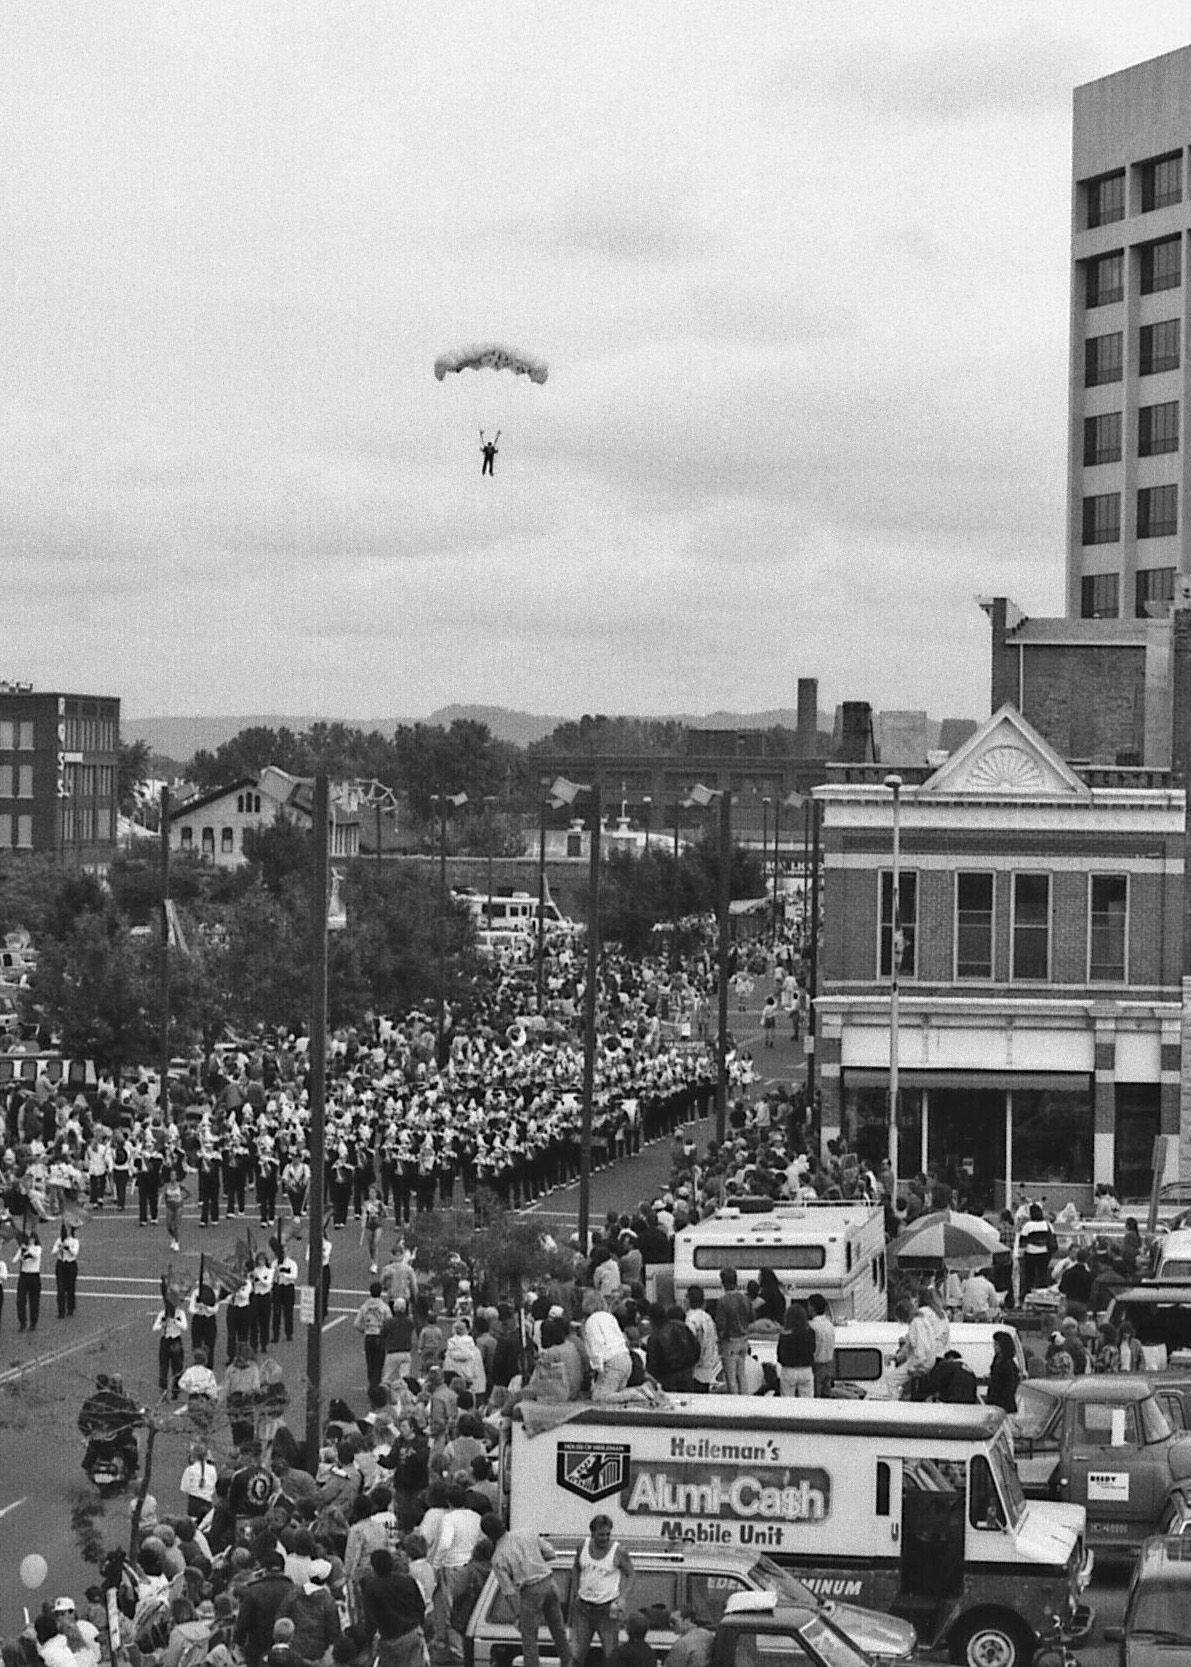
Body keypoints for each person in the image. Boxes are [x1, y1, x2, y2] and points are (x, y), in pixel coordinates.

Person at [482, 1514, 572, 1667]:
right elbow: (550, 1553)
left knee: (529, 1639)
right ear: (502, 1524)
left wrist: (518, 1615)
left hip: (530, 1590)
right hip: (549, 1583)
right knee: (559, 1632)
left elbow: (509, 1591)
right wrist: (536, 1563)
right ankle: (569, 1663)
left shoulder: (498, 1557)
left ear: (488, 1535)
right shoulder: (527, 1533)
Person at [569, 1514, 634, 1667]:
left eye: (608, 1534)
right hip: (583, 1608)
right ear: (592, 1533)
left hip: (606, 1609)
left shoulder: (619, 1551)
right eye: (601, 1534)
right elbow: (576, 1568)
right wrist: (575, 1591)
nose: (605, 1538)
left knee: (611, 1655)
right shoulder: (582, 1547)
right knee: (576, 1654)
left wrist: (623, 1597)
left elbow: (631, 1574)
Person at [359, 1547, 426, 1667]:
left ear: (374, 1567)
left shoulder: (372, 1588)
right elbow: (420, 1606)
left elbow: (370, 1620)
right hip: (413, 1632)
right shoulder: (408, 1580)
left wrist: (370, 1642)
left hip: (392, 1639)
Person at [714, 1267, 752, 1395]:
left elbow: (721, 1324)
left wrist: (720, 1340)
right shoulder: (745, 1299)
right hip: (744, 1339)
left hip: (730, 1341)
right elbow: (752, 1318)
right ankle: (745, 1400)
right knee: (741, 1375)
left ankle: (735, 1404)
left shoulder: (723, 1301)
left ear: (723, 1282)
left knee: (731, 1378)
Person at [355, 1282, 392, 1390]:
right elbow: (389, 1322)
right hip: (379, 1336)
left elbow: (357, 1324)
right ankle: (376, 1386)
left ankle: (371, 1384)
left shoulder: (365, 1307)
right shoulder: (384, 1307)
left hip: (369, 1337)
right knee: (379, 1363)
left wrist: (365, 1330)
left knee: (370, 1363)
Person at [776, 1303, 815, 1397]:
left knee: (787, 1402)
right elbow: (813, 1349)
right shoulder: (810, 1333)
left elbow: (779, 1355)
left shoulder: (785, 1335)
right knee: (807, 1402)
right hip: (806, 1369)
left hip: (789, 1369)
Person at [807, 1294, 835, 1398]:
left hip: (816, 1365)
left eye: (809, 1305)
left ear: (813, 1307)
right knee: (826, 1396)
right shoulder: (829, 1325)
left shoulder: (811, 1326)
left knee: (816, 1396)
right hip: (829, 1364)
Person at [16, 1227, 43, 1332]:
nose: (30, 1240)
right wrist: (21, 1254)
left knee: (34, 1301)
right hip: (24, 1275)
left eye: (32, 1238)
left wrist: (26, 1250)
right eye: (29, 1238)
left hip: (34, 1276)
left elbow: (35, 1256)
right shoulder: (23, 1248)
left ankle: (33, 1322)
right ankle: (22, 1322)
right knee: (20, 1300)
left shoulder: (38, 1248)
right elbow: (15, 1260)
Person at [986, 1331, 1020, 1413]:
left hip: (1004, 1405)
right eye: (994, 1344)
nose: (995, 1347)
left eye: (997, 1345)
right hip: (994, 1402)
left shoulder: (1008, 1364)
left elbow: (1010, 1386)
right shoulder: (997, 1359)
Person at [53, 1220, 80, 1318]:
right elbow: (53, 1251)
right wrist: (60, 1247)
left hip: (71, 1265)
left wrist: (68, 1248)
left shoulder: (75, 1241)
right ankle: (61, 1311)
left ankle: (70, 1308)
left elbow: (75, 1253)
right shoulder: (59, 1240)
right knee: (60, 1289)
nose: (67, 1231)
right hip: (61, 1265)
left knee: (70, 1288)